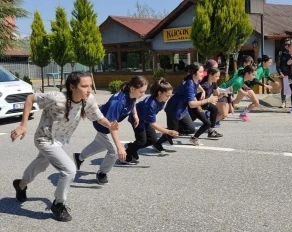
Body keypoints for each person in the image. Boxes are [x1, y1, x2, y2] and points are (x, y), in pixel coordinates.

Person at [11, 71, 119, 222]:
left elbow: (98, 116)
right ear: (72, 87)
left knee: (41, 165)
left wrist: (110, 125)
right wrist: (23, 125)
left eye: (90, 86)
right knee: (69, 170)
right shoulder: (57, 98)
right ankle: (58, 204)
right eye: (84, 86)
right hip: (44, 138)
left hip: (60, 140)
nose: (89, 90)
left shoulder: (88, 99)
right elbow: (30, 98)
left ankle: (20, 185)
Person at [73, 76, 148, 185]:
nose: (143, 94)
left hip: (108, 125)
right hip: (103, 125)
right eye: (141, 92)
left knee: (100, 144)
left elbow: (133, 103)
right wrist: (120, 148)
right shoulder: (118, 102)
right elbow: (111, 127)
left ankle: (79, 157)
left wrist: (135, 115)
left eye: (144, 91)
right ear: (132, 88)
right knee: (113, 151)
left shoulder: (131, 94)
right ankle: (102, 173)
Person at [152, 62, 218, 149]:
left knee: (191, 129)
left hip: (183, 108)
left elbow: (197, 86)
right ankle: (158, 143)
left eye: (203, 71)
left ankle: (169, 132)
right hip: (174, 108)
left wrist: (203, 91)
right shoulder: (189, 84)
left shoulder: (195, 80)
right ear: (194, 73)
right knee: (174, 132)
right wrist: (208, 100)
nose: (203, 73)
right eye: (201, 72)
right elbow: (191, 104)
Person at [122, 78, 178, 164]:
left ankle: (131, 146)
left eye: (170, 95)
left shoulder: (162, 100)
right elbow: (153, 124)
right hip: (137, 119)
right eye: (167, 95)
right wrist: (168, 131)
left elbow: (151, 121)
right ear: (159, 93)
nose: (169, 97)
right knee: (141, 141)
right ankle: (127, 156)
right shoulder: (151, 104)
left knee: (152, 140)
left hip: (146, 119)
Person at [238, 55, 279, 121]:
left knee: (236, 101)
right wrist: (265, 85)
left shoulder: (266, 69)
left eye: (271, 62)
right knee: (256, 102)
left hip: (247, 86)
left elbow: (267, 76)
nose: (270, 64)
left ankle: (224, 111)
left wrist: (274, 81)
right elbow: (255, 80)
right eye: (269, 62)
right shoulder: (259, 69)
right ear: (264, 62)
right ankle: (243, 114)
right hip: (246, 86)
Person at [217, 55, 254, 121]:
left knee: (225, 111)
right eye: (250, 63)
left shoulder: (242, 74)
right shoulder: (241, 72)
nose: (251, 65)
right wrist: (230, 104)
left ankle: (213, 117)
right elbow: (234, 84)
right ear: (245, 63)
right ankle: (210, 119)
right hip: (223, 90)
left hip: (226, 90)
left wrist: (244, 86)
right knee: (224, 112)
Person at [190, 67, 223, 139]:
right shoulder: (205, 85)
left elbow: (217, 94)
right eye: (216, 76)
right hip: (197, 105)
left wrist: (224, 94)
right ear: (210, 75)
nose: (218, 78)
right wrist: (198, 107)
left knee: (214, 108)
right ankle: (192, 136)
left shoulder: (213, 83)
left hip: (205, 103)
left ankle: (211, 131)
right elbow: (193, 96)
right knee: (191, 121)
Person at [276, 38, 292, 108]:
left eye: (288, 44)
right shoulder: (281, 53)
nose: (287, 46)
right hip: (284, 73)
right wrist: (280, 72)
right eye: (285, 44)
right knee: (285, 88)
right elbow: (278, 65)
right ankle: (283, 102)